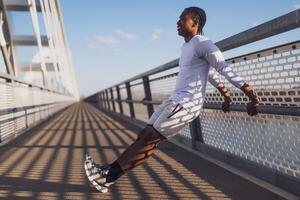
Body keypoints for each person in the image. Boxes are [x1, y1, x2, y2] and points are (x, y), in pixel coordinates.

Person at [84, 6, 260, 193]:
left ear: (195, 21)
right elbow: (210, 75)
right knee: (144, 135)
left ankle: (107, 177)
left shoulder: (204, 43)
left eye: (182, 19)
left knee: (150, 139)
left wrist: (251, 96)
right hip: (175, 100)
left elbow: (224, 69)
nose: (177, 23)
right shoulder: (186, 46)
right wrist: (226, 96)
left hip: (186, 105)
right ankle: (107, 173)